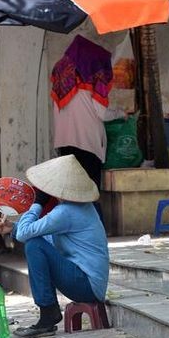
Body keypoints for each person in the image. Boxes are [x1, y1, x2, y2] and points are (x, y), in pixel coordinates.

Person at [0, 155, 109, 338]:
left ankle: (48, 313)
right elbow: (44, 236)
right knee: (36, 242)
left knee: (33, 245)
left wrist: (37, 203)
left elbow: (28, 236)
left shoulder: (65, 212)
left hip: (86, 284)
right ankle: (48, 311)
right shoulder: (82, 207)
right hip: (89, 282)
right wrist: (13, 228)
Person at [51, 35, 124, 221]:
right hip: (87, 143)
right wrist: (121, 114)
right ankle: (94, 232)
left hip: (64, 142)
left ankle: (72, 231)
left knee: (70, 192)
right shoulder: (94, 76)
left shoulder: (62, 76)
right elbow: (101, 113)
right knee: (89, 192)